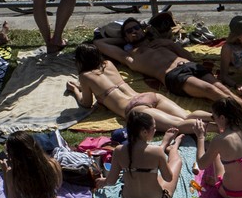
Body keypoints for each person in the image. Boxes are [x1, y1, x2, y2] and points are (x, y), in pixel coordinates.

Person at [97, 13, 242, 108]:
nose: (134, 32)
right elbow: (99, 43)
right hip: (174, 76)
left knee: (219, 86)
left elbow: (189, 57)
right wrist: (122, 40)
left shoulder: (160, 42)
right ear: (125, 36)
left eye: (136, 28)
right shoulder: (129, 55)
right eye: (129, 31)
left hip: (189, 65)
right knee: (209, 90)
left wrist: (170, 44)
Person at [68, 44, 206, 134]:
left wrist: (75, 90)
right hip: (148, 96)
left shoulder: (84, 76)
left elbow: (86, 103)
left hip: (133, 108)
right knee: (187, 116)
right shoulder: (108, 64)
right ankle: (220, 118)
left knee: (179, 125)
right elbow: (105, 82)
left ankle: (218, 128)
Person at [106, 111, 186, 198]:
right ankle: (174, 147)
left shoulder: (118, 150)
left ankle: (165, 144)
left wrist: (103, 181)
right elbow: (168, 178)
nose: (155, 130)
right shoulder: (156, 152)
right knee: (176, 161)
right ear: (144, 132)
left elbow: (111, 181)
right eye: (154, 128)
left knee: (148, 173)